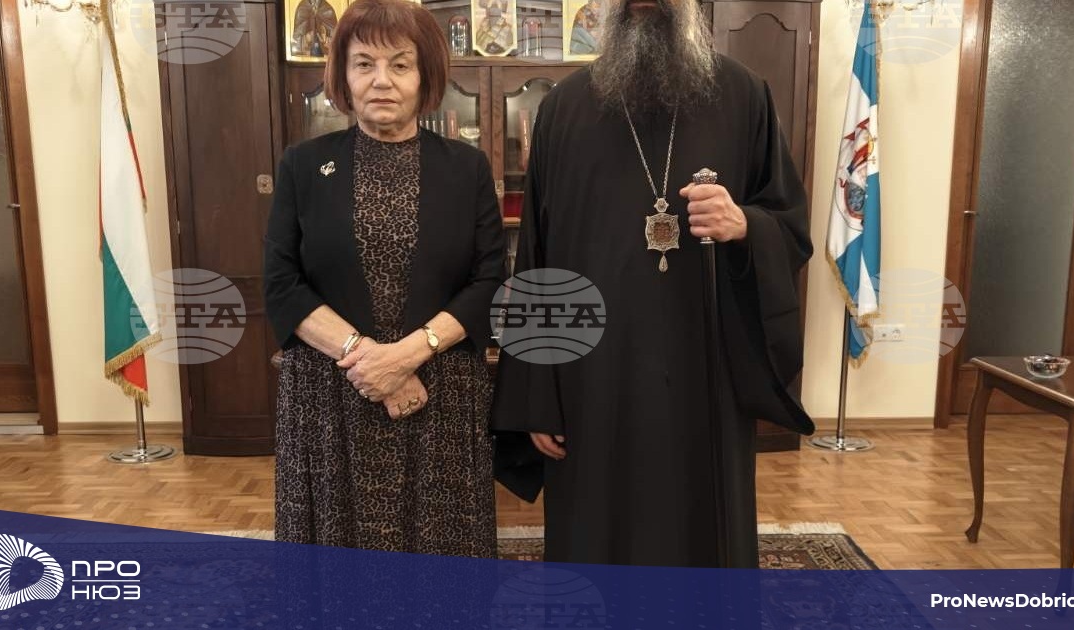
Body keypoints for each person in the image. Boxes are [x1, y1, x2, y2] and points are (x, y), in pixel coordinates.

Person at [491, 0, 814, 568]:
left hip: (705, 374)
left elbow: (789, 227)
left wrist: (744, 224)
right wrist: (538, 396)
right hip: (591, 377)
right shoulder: (563, 108)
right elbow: (538, 263)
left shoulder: (744, 95)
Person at [265, 0, 505, 557]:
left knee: (444, 549)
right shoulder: (303, 165)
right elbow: (281, 282)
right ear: (342, 77)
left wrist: (407, 356)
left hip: (439, 389)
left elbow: (490, 279)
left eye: (400, 64)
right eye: (363, 63)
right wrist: (368, 358)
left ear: (425, 77)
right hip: (331, 391)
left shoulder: (466, 167)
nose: (381, 81)